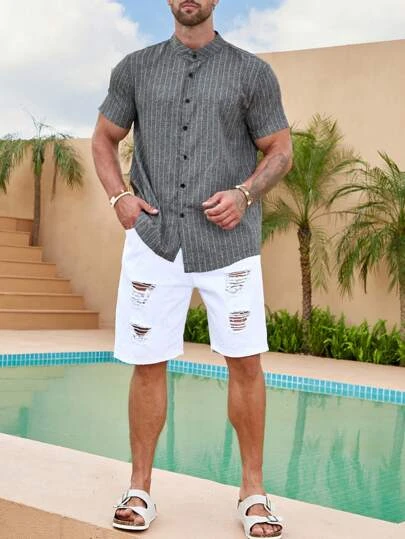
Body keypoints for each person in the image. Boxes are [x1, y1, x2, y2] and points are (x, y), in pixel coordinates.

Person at [92, 1, 292, 537]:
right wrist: (119, 198)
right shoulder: (134, 68)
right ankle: (139, 489)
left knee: (245, 363)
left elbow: (280, 149)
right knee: (147, 362)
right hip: (153, 239)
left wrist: (245, 193)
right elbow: (104, 137)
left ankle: (253, 493)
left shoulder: (252, 72)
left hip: (230, 245)